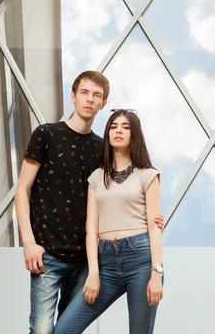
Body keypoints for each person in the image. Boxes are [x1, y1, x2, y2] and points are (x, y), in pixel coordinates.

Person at [15, 72, 164, 334]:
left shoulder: (101, 151)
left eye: (97, 95)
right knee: (42, 330)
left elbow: (120, 195)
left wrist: (152, 221)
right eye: (84, 92)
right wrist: (29, 243)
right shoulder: (46, 134)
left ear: (103, 103)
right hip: (48, 254)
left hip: (88, 258)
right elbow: (22, 190)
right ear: (73, 96)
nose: (89, 99)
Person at [53, 108, 164, 334]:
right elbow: (91, 227)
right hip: (106, 266)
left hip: (140, 261)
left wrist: (156, 273)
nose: (118, 131)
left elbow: (154, 227)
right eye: (113, 127)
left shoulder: (148, 174)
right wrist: (93, 273)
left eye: (125, 127)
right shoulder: (96, 176)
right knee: (63, 330)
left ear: (135, 135)